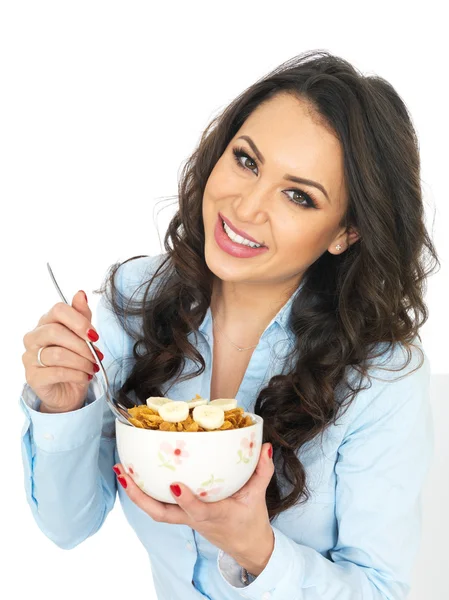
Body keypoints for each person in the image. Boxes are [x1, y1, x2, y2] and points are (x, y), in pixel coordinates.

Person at [20, 50, 439, 600]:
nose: (246, 207)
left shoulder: (382, 378)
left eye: (298, 196)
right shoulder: (136, 300)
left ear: (347, 232)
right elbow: (67, 525)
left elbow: (381, 590)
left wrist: (256, 552)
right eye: (247, 161)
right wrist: (63, 405)